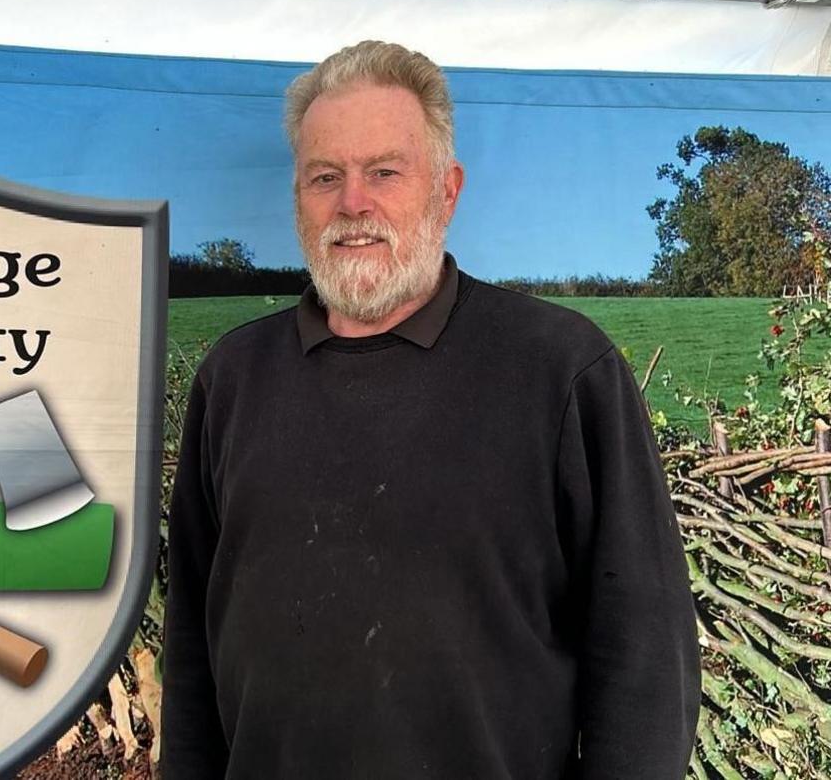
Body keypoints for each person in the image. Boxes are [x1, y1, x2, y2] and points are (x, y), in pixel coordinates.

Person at [161, 40, 700, 779]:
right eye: (326, 177)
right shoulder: (232, 380)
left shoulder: (562, 371)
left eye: (384, 171)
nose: (353, 203)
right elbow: (191, 644)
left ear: (446, 191)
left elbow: (646, 661)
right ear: (298, 199)